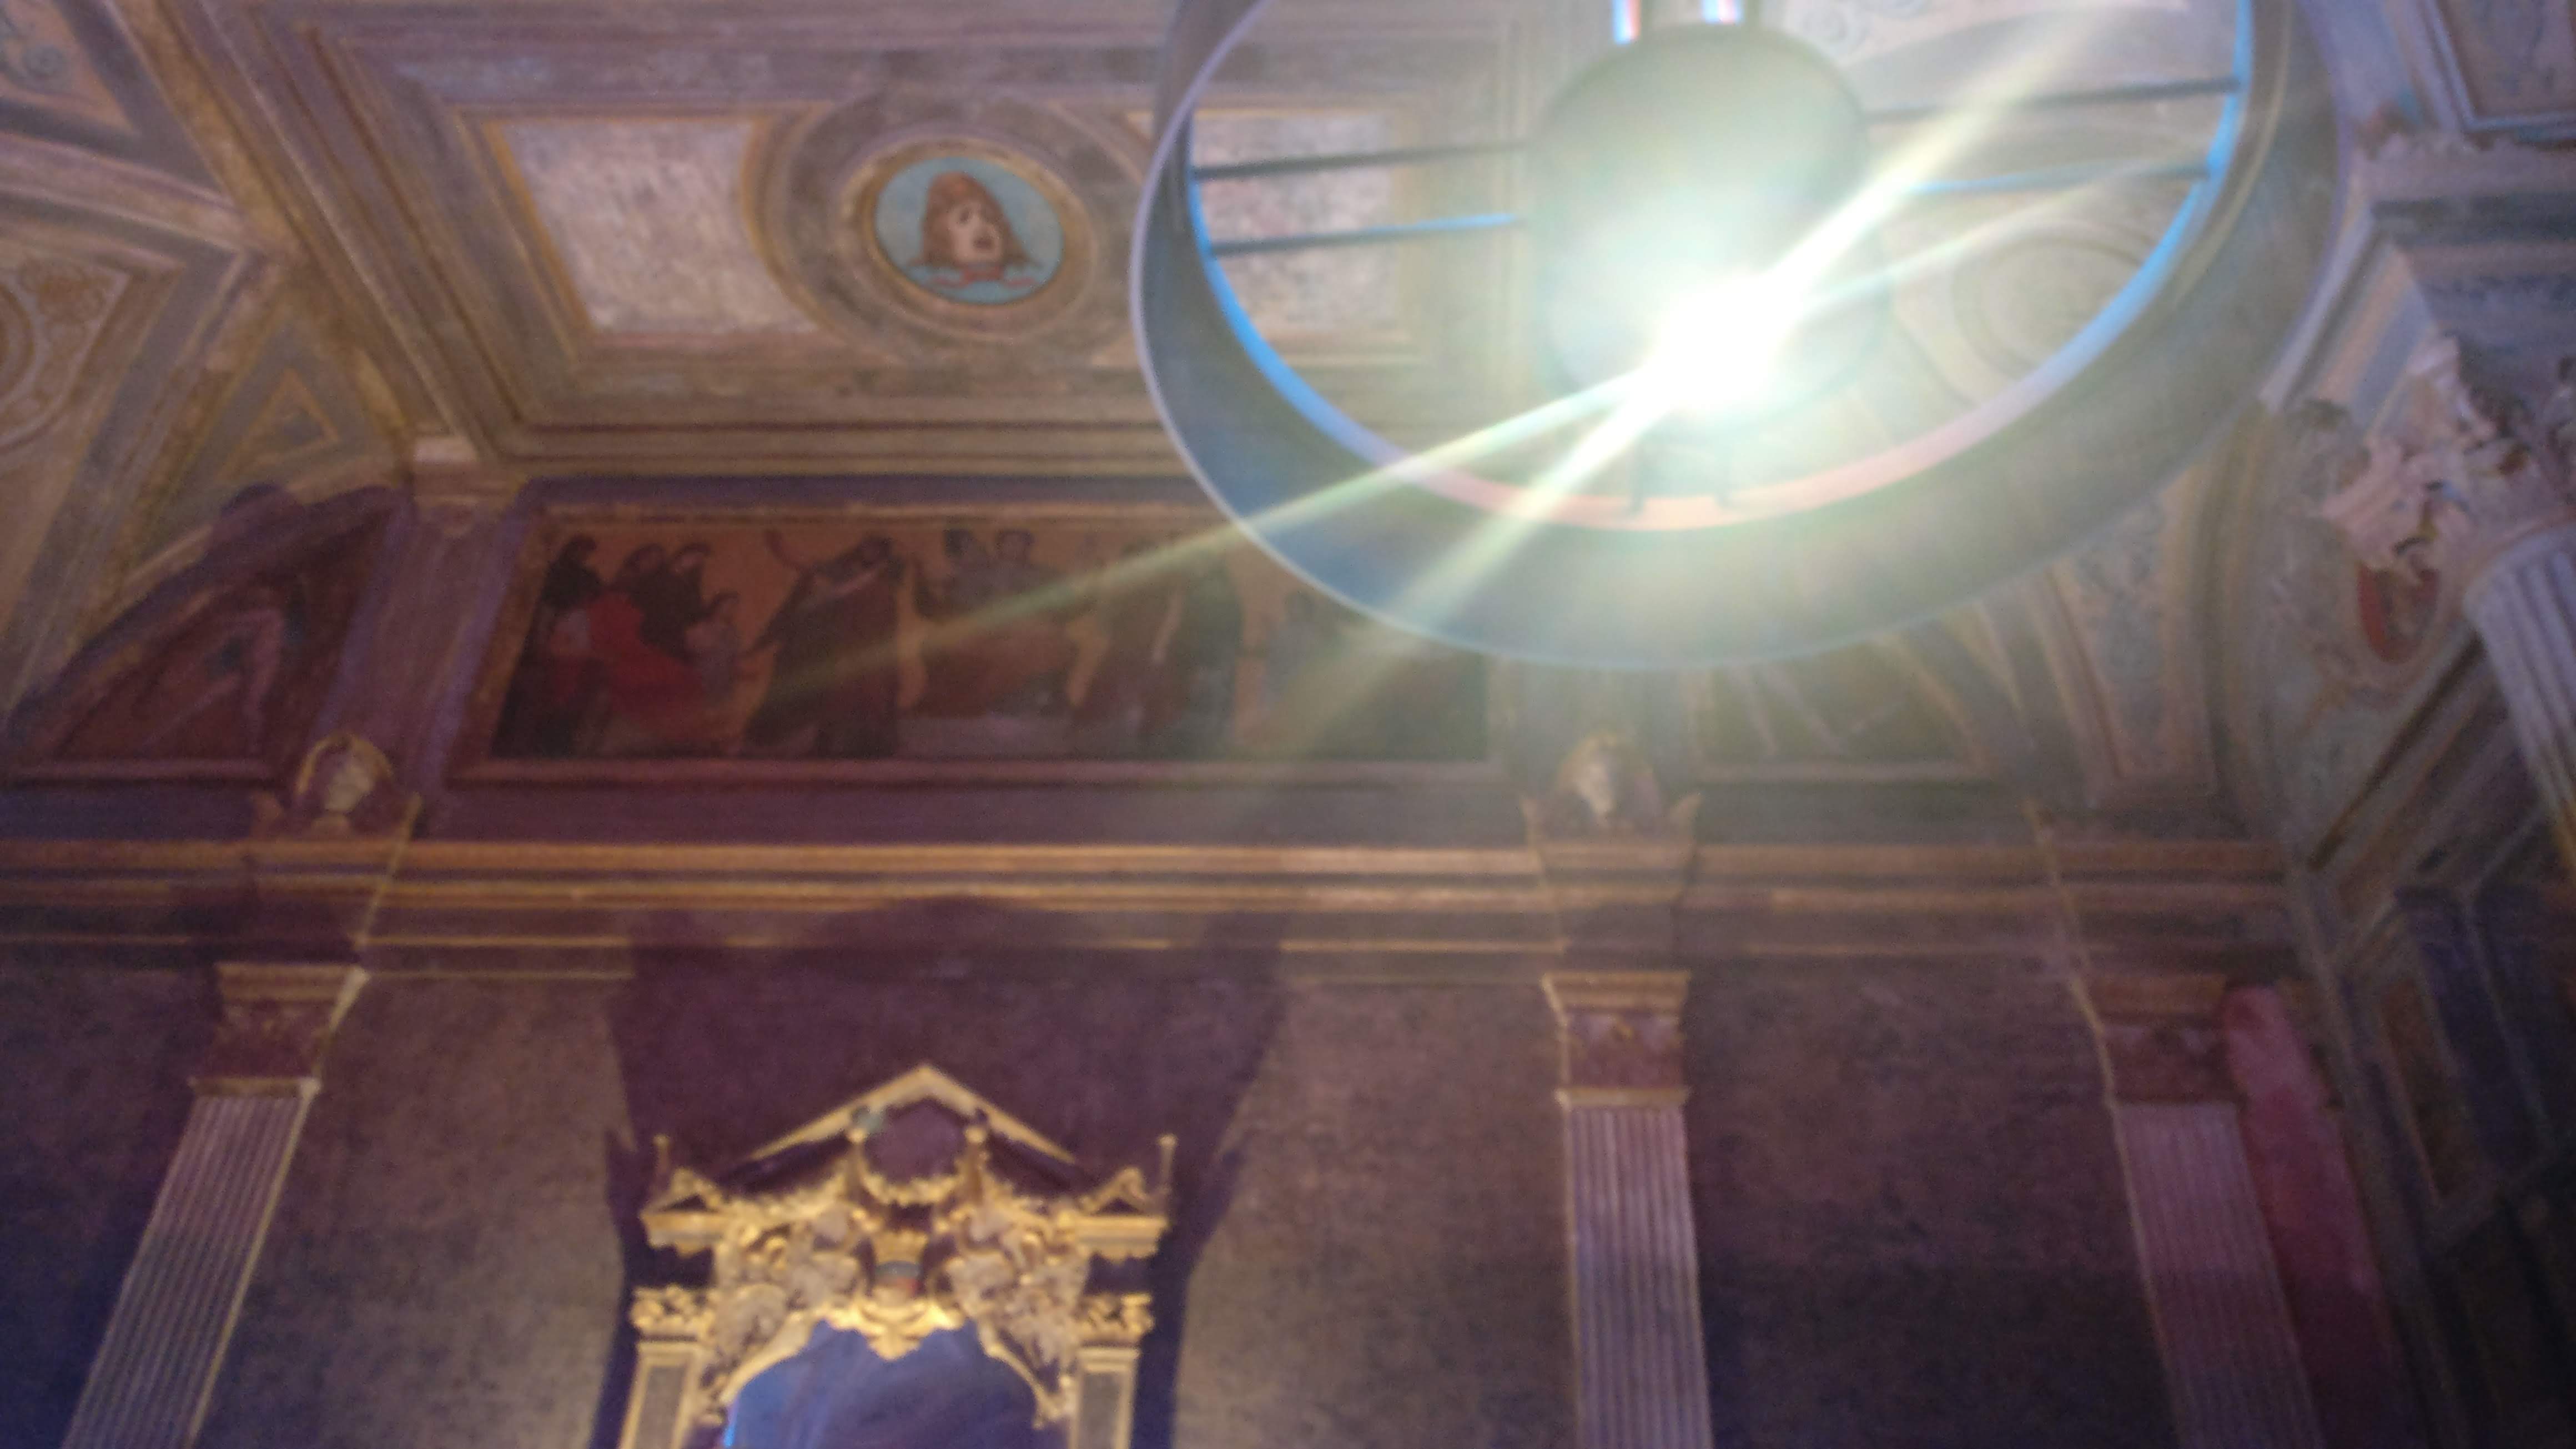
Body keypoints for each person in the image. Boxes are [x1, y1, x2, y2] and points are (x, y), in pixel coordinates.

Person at [743, 532, 904, 758]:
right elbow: (810, 568)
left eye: (875, 549)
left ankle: (871, 745)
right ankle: (829, 745)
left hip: (870, 649)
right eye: (867, 547)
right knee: (837, 695)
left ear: (883, 553)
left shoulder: (883, 581)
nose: (869, 552)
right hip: (845, 647)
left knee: (871, 696)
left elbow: (880, 616)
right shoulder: (845, 573)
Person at [913, 172, 1039, 290]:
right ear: (942, 237)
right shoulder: (935, 285)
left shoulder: (1027, 283)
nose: (981, 225)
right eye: (964, 218)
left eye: (989, 217)